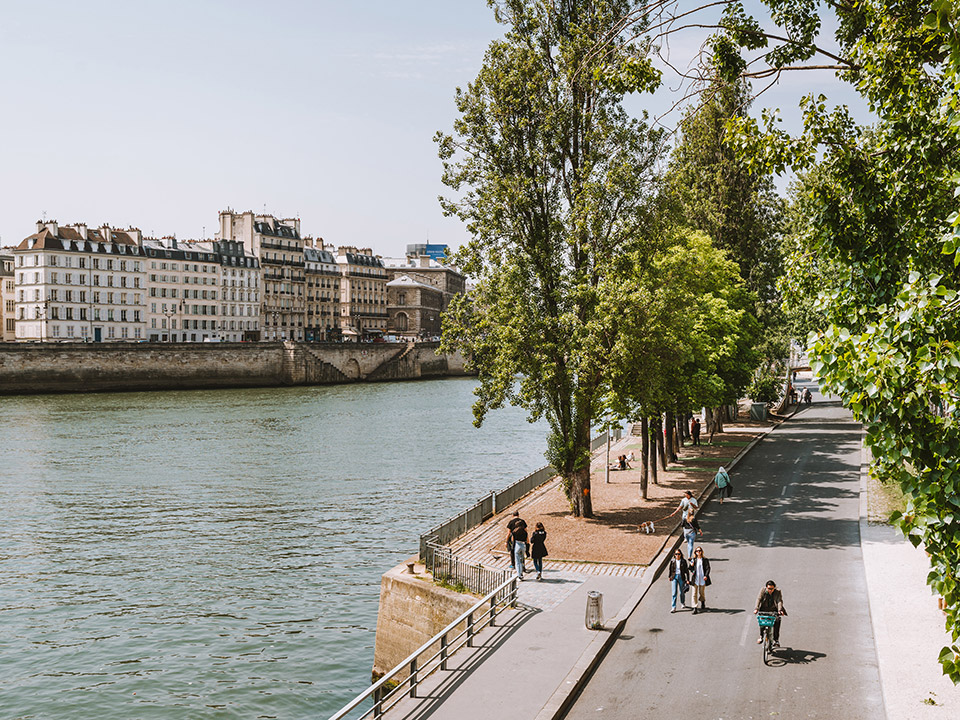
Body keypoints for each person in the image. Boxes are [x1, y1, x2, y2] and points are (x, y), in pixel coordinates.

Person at [754, 580, 787, 646]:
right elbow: (759, 599)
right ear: (766, 587)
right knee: (762, 621)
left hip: (773, 609)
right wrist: (756, 608)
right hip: (764, 609)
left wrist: (780, 610)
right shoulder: (763, 591)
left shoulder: (778, 592)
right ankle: (761, 636)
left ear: (774, 588)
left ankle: (776, 640)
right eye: (769, 589)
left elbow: (779, 601)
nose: (770, 590)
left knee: (777, 621)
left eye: (772, 589)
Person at [689, 546, 711, 614]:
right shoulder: (694, 560)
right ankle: (695, 607)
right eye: (697, 551)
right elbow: (690, 568)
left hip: (702, 578)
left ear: (702, 552)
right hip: (695, 579)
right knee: (694, 594)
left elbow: (708, 568)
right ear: (695, 552)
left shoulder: (705, 560)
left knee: (701, 592)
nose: (698, 552)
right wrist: (691, 566)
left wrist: (706, 575)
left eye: (700, 550)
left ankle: (702, 601)